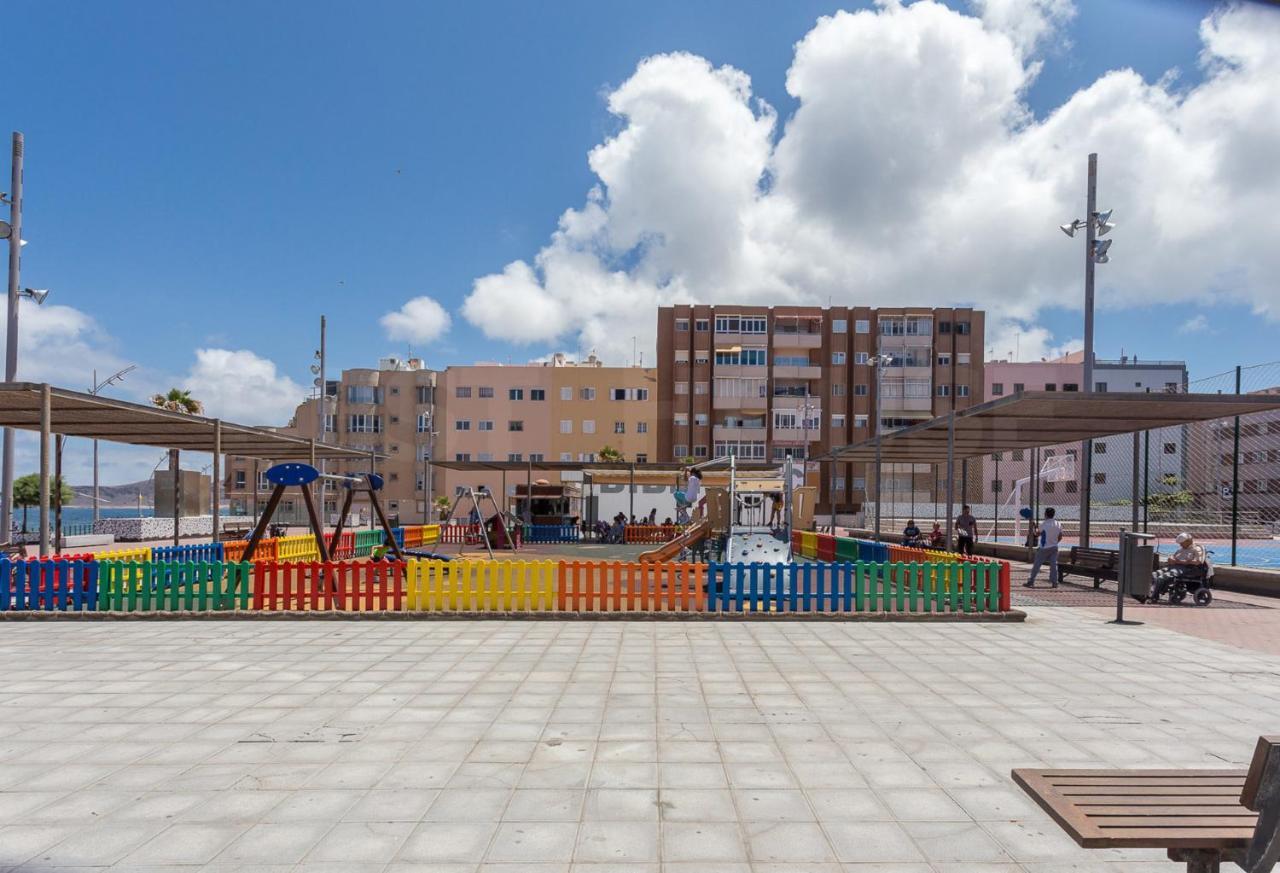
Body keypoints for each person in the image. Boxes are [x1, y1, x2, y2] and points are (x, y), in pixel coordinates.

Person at [1024, 507, 1063, 588]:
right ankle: (1055, 582)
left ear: (1046, 514)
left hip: (1044, 548)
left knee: (1037, 565)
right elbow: (1060, 536)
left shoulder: (1044, 524)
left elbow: (1037, 534)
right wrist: (1055, 542)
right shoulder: (1058, 524)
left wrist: (1034, 526)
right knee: (1053, 565)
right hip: (1054, 548)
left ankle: (1031, 581)